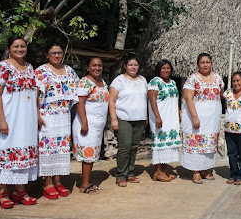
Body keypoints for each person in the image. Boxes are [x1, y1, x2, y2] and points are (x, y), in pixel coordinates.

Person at [0, 37, 39, 208]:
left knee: (24, 150)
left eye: (23, 46)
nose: (20, 49)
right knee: (6, 149)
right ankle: (3, 191)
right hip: (10, 116)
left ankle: (20, 190)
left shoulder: (29, 67)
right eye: (16, 46)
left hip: (26, 118)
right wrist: (2, 120)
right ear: (9, 48)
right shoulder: (2, 66)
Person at [35, 43, 79, 199]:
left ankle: (58, 180)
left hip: (63, 115)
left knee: (61, 147)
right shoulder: (41, 71)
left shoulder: (69, 71)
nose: (56, 55)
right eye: (53, 52)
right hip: (47, 114)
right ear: (47, 54)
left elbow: (77, 93)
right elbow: (36, 95)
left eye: (59, 52)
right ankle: (47, 182)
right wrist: (37, 115)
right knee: (48, 147)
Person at [180, 53, 224, 184]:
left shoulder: (217, 77)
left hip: (212, 118)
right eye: (202, 63)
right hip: (197, 117)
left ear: (211, 63)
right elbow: (188, 98)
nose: (205, 65)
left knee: (208, 144)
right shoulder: (192, 79)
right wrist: (195, 117)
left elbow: (220, 94)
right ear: (198, 65)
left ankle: (204, 169)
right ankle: (196, 171)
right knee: (196, 143)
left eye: (208, 62)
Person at [72, 57, 109, 194]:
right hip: (87, 124)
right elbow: (79, 103)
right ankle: (84, 185)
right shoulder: (85, 82)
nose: (97, 68)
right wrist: (85, 123)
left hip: (97, 125)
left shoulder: (101, 82)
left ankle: (87, 181)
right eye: (94, 65)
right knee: (88, 155)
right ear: (87, 67)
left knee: (92, 154)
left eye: (99, 65)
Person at [109, 56, 148, 187]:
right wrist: (113, 119)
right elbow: (112, 101)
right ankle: (121, 175)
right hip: (123, 117)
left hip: (140, 118)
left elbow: (145, 99)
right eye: (130, 64)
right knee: (125, 147)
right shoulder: (119, 81)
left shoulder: (143, 80)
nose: (133, 67)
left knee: (134, 147)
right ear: (125, 66)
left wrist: (146, 116)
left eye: (135, 65)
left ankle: (130, 173)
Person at [147, 60, 181, 182]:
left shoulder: (172, 82)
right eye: (163, 68)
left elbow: (176, 98)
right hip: (160, 116)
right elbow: (152, 101)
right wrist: (157, 116)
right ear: (158, 69)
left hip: (171, 117)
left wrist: (178, 111)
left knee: (169, 142)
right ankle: (158, 171)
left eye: (168, 68)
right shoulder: (154, 82)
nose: (166, 70)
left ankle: (164, 168)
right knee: (159, 141)